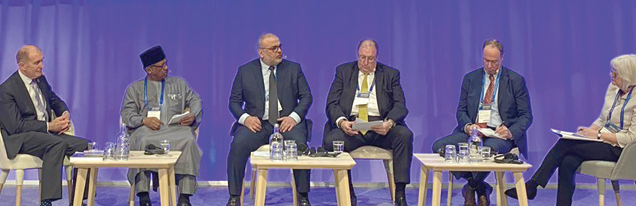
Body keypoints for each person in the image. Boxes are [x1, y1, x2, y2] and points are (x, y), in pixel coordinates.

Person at [507, 54, 636, 206]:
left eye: (615, 73)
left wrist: (598, 135)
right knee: (568, 161)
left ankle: (532, 185)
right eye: (612, 71)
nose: (611, 75)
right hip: (604, 141)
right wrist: (589, 132)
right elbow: (604, 118)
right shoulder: (614, 89)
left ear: (627, 76)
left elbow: (632, 138)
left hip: (622, 151)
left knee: (565, 144)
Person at [432, 40, 533, 206]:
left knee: (487, 151)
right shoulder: (471, 78)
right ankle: (481, 187)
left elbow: (526, 116)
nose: (490, 65)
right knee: (440, 147)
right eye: (486, 60)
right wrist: (468, 126)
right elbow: (461, 111)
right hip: (474, 132)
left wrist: (510, 131)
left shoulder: (515, 80)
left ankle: (471, 188)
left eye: (494, 61)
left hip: (499, 135)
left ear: (502, 58)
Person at [0, 45, 91, 206]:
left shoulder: (41, 80)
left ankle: (78, 198)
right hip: (21, 138)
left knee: (87, 147)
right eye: (36, 62)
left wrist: (64, 113)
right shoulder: (6, 90)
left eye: (42, 61)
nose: (41, 66)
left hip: (46, 136)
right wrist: (48, 126)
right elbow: (15, 126)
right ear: (22, 66)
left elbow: (55, 101)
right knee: (56, 144)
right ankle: (46, 201)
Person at [323, 39, 414, 206]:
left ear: (376, 58)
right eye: (362, 58)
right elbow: (331, 104)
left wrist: (389, 123)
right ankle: (348, 192)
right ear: (357, 56)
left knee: (404, 135)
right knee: (331, 140)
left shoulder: (390, 74)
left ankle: (400, 193)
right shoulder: (343, 72)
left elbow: (400, 106)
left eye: (370, 58)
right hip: (353, 126)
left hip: (380, 126)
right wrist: (342, 122)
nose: (365, 62)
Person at [226, 33, 313, 206]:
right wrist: (246, 119)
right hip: (258, 123)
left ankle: (303, 196)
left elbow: (306, 97)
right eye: (274, 49)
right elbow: (234, 102)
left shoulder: (294, 69)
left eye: (280, 47)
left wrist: (294, 118)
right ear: (261, 53)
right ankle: (235, 197)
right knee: (238, 145)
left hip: (286, 122)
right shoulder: (245, 71)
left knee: (300, 145)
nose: (279, 51)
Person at [121, 46, 204, 206]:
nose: (166, 68)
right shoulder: (134, 89)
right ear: (149, 70)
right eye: (161, 66)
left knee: (189, 141)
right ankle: (143, 195)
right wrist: (143, 120)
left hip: (176, 130)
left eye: (166, 64)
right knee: (141, 141)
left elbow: (196, 100)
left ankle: (185, 197)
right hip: (147, 131)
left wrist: (192, 114)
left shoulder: (179, 83)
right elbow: (127, 115)